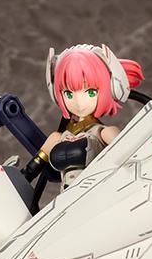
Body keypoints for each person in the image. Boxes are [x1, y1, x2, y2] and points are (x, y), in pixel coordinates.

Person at [22, 43, 144, 188]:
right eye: (68, 94)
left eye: (91, 92)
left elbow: (133, 163)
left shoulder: (104, 133)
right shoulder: (57, 138)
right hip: (67, 198)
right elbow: (29, 173)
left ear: (111, 89)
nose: (78, 102)